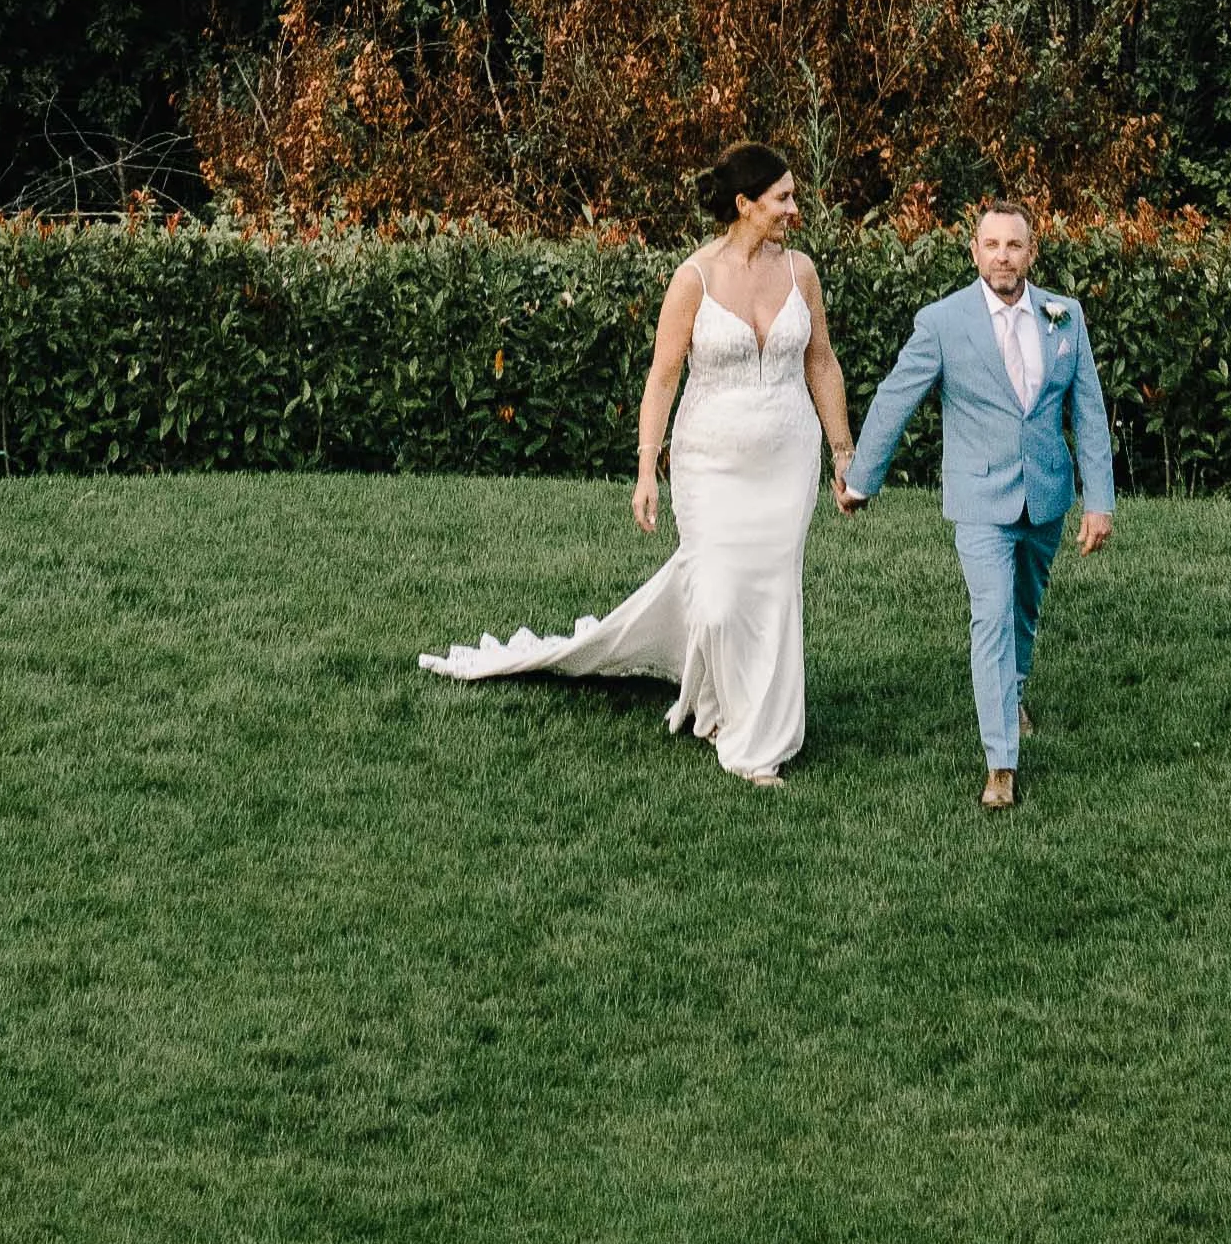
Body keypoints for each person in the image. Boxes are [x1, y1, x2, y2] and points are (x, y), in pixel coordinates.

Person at [414, 143, 847, 783]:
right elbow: (663, 376)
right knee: (723, 598)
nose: (793, 207)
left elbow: (821, 362)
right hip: (710, 465)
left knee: (774, 594)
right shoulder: (693, 278)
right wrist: (648, 468)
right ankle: (719, 699)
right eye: (781, 197)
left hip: (788, 457)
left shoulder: (801, 274)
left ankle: (759, 739)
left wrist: (843, 451)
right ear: (744, 205)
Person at [843, 196, 1115, 810]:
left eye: (1014, 245)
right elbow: (895, 398)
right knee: (990, 616)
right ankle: (1001, 765)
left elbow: (1089, 413)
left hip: (1045, 495)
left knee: (1023, 610)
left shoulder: (1064, 316)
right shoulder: (944, 322)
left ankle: (1011, 693)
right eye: (991, 245)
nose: (1003, 256)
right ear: (974, 252)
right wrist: (862, 479)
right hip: (979, 497)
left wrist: (1100, 501)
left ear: (1031, 252)